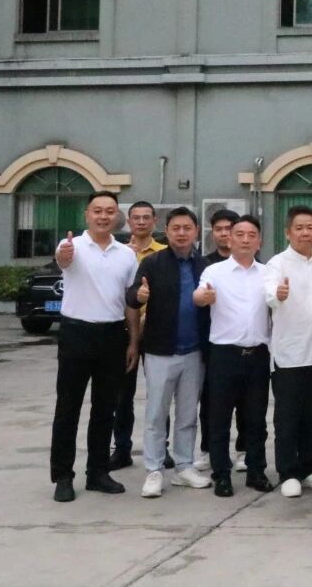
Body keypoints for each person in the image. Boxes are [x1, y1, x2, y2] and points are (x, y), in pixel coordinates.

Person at [50, 191, 139, 502]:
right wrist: (64, 255)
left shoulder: (126, 254)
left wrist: (133, 340)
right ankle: (63, 476)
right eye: (97, 210)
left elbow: (130, 301)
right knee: (68, 407)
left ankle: (98, 472)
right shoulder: (71, 246)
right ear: (87, 214)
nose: (103, 216)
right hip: (76, 334)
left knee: (105, 408)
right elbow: (62, 261)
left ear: (117, 216)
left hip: (113, 336)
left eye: (109, 211)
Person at [127, 207, 211, 498]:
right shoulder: (152, 263)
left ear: (196, 231)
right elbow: (131, 295)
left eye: (187, 228)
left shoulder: (204, 266)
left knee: (187, 414)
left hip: (194, 352)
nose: (182, 233)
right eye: (176, 228)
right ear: (167, 230)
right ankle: (153, 469)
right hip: (160, 352)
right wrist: (139, 295)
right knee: (156, 414)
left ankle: (184, 467)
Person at [195, 215, 273, 497]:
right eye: (239, 234)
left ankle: (256, 471)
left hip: (258, 355)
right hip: (224, 355)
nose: (245, 240)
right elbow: (198, 295)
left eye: (252, 235)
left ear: (259, 241)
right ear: (230, 239)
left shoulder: (268, 273)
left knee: (256, 419)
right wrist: (202, 298)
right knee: (219, 418)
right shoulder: (214, 271)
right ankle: (222, 475)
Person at [264, 206, 312, 498]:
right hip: (289, 354)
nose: (305, 233)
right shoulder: (277, 263)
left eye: (310, 227)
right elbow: (269, 292)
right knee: (288, 417)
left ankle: (310, 468)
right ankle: (288, 472)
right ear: (288, 232)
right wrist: (277, 294)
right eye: (299, 228)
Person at [111, 200, 169, 471]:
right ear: (129, 222)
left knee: (160, 393)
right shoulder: (118, 253)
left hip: (157, 330)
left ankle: (162, 449)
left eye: (147, 217)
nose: (142, 222)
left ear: (155, 221)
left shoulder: (165, 254)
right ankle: (121, 448)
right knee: (122, 395)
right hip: (124, 331)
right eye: (137, 217)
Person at [200, 208, 240, 470]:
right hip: (211, 343)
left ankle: (244, 449)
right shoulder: (204, 265)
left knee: (246, 403)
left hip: (245, 344)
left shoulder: (255, 264)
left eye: (229, 229)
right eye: (219, 229)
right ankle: (208, 450)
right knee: (211, 401)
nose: (224, 234)